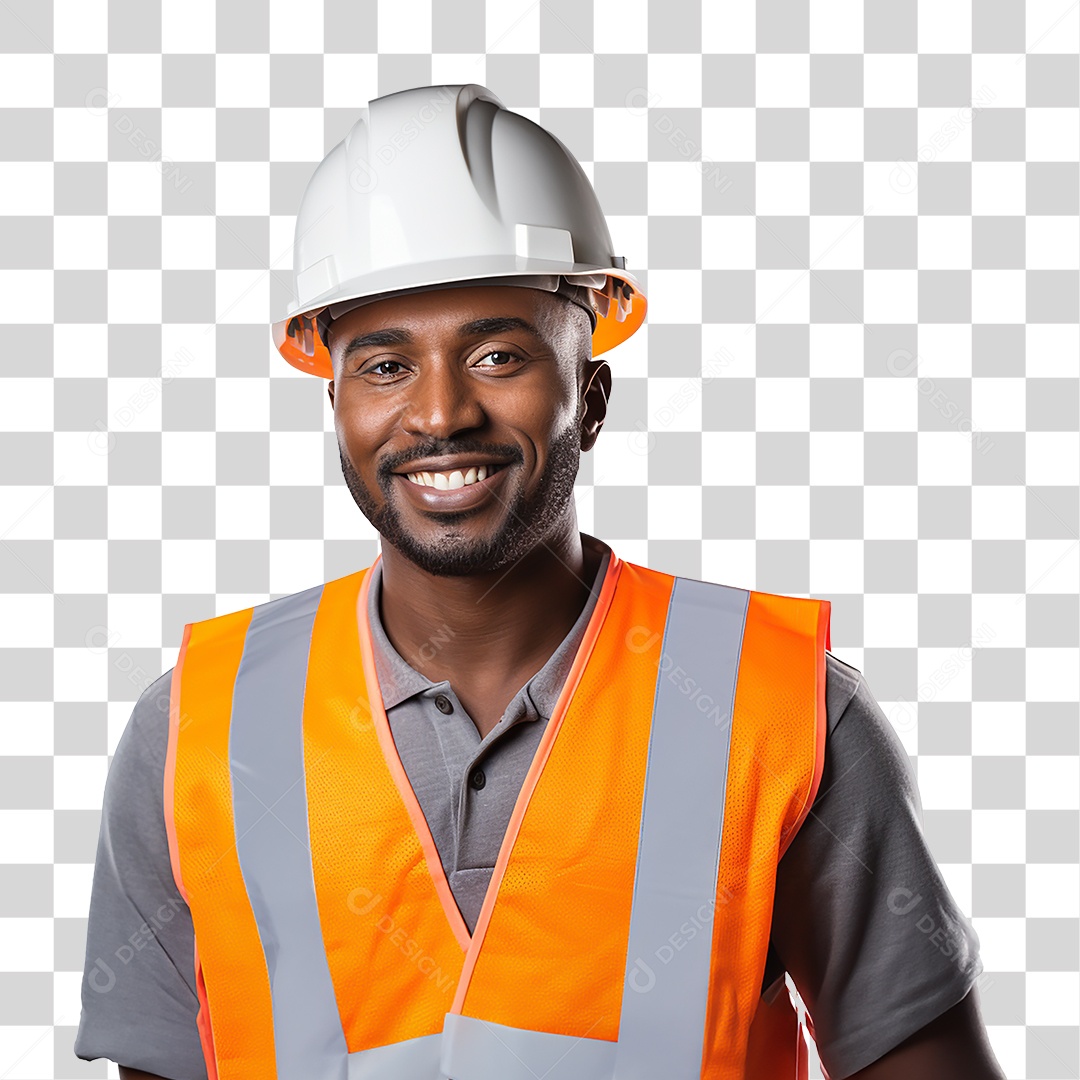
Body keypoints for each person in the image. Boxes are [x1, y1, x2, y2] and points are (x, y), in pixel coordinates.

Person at [74, 84, 1005, 1080]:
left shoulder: (782, 710)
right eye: (384, 365)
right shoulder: (197, 731)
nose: (439, 414)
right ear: (334, 401)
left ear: (590, 397)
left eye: (497, 354)